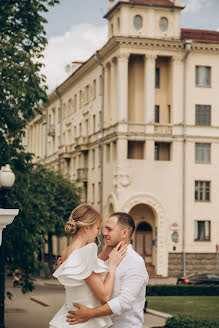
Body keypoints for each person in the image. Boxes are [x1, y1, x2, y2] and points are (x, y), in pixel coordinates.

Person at [49, 204, 127, 328]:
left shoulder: (66, 253)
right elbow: (104, 296)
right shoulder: (86, 252)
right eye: (97, 228)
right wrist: (112, 265)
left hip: (67, 319)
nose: (99, 233)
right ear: (86, 228)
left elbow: (87, 271)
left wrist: (106, 252)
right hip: (83, 323)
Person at [67, 212, 149, 328]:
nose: (104, 233)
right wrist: (70, 263)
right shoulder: (106, 258)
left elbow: (124, 302)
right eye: (104, 228)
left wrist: (90, 313)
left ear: (124, 233)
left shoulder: (135, 262)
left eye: (109, 229)